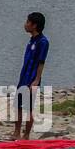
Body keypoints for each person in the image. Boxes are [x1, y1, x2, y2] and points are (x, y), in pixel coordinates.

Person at [13, 12, 49, 141]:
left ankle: (26, 135)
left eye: (28, 22)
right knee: (17, 105)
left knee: (28, 107)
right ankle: (16, 132)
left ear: (34, 25)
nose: (25, 24)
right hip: (23, 77)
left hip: (32, 79)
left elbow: (41, 62)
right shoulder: (31, 40)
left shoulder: (43, 42)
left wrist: (37, 79)